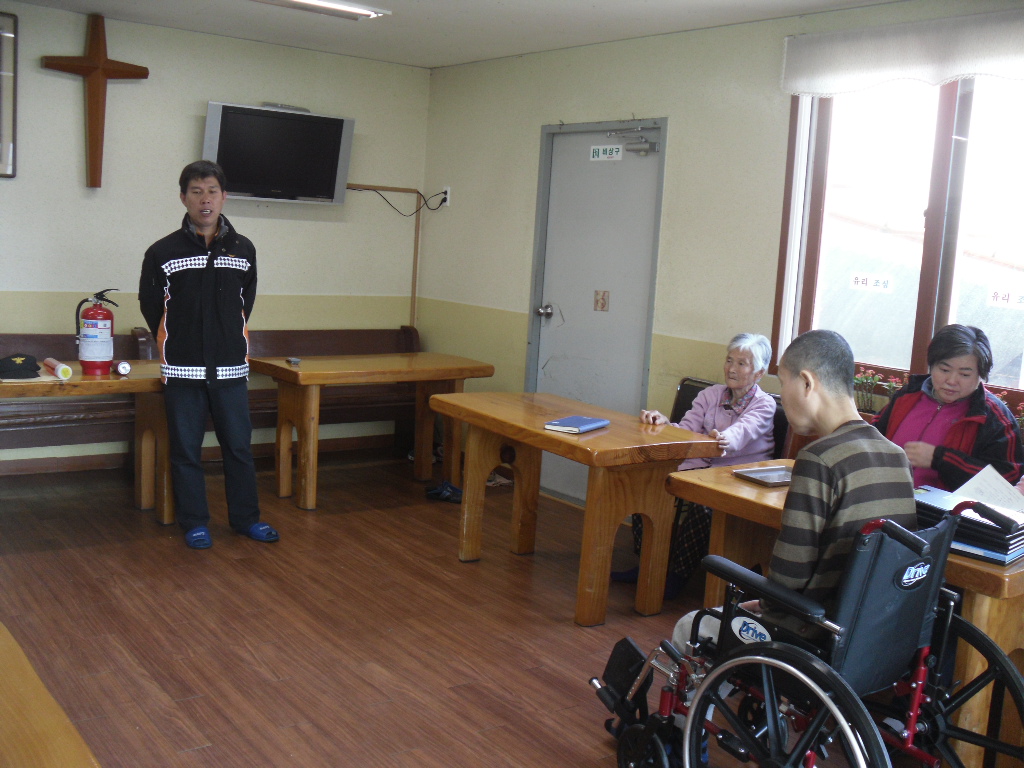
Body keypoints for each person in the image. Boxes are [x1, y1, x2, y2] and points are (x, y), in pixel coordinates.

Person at [672, 329, 917, 650]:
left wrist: (765, 605)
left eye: (784, 382)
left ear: (806, 383)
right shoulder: (896, 456)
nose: (782, 396)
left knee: (688, 626)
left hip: (807, 632)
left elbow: (789, 578)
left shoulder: (819, 459)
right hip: (870, 635)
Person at [139, 160, 279, 549]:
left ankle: (246, 519)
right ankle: (195, 522)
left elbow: (244, 303)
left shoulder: (243, 248)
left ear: (223, 197)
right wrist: (179, 339)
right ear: (183, 198)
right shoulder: (162, 251)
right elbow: (152, 306)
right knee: (186, 451)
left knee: (238, 448)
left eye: (212, 191)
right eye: (197, 192)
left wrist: (224, 336)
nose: (205, 200)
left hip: (231, 370)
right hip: (183, 371)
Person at [614, 333, 776, 598]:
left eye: (742, 364)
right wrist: (662, 424)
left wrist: (724, 438)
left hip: (737, 476)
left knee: (703, 506)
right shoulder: (710, 395)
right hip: (700, 469)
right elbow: (686, 431)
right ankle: (648, 564)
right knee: (647, 487)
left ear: (759, 373)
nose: (732, 369)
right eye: (729, 360)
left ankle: (677, 576)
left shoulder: (764, 404)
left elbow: (743, 432)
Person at [873, 324, 1023, 491]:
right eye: (944, 370)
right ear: (932, 366)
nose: (951, 381)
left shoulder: (996, 419)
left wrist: (941, 459)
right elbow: (871, 436)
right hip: (883, 495)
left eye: (964, 374)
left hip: (940, 508)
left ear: (981, 375)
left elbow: (1006, 481)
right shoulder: (908, 395)